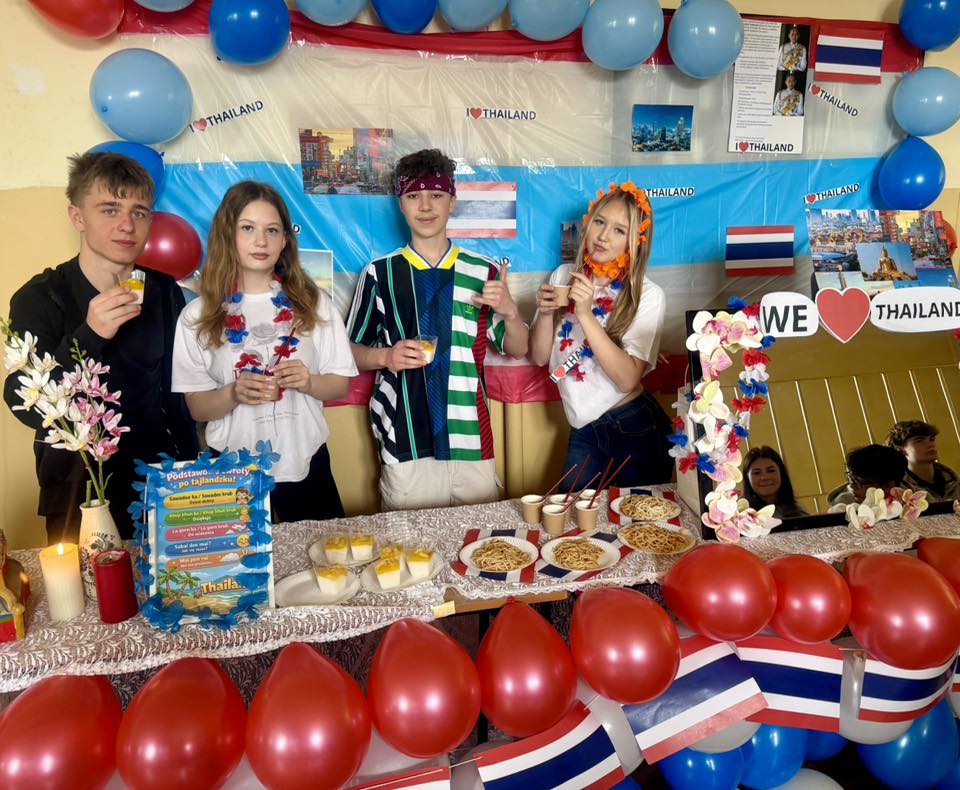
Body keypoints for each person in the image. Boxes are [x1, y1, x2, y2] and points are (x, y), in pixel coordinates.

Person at [3, 152, 198, 544]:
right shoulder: (40, 298)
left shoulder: (163, 290)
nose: (127, 225)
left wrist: (191, 470)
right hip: (80, 491)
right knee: (89, 586)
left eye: (139, 212)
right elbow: (25, 404)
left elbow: (177, 393)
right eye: (109, 209)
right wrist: (89, 334)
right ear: (77, 217)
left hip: (161, 481)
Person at [346, 149, 529, 511]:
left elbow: (519, 348)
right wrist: (386, 356)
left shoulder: (484, 271)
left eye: (436, 195)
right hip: (405, 439)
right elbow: (349, 351)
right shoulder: (380, 273)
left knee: (479, 540)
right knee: (408, 543)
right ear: (401, 204)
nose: (426, 206)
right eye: (414, 196)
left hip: (471, 440)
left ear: (452, 201)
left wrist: (510, 313)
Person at [172, 181, 357, 523]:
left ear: (285, 239)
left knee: (319, 555)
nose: (261, 241)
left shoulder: (313, 304)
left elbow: (339, 385)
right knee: (243, 559)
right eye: (247, 228)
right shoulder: (197, 316)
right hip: (233, 472)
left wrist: (308, 382)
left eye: (272, 230)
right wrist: (233, 393)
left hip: (307, 463)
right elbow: (197, 407)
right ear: (227, 234)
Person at [529, 181, 672, 490]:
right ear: (588, 224)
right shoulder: (563, 276)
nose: (604, 236)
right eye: (600, 222)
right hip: (584, 426)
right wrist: (545, 312)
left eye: (619, 230)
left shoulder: (646, 294)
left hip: (633, 424)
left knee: (638, 516)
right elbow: (539, 357)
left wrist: (584, 313)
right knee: (574, 516)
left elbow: (627, 379)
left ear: (636, 242)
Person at [887, 420, 960, 502]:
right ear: (901, 451)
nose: (931, 445)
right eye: (919, 441)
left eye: (932, 439)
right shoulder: (898, 491)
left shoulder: (954, 482)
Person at [826, 444, 908, 507]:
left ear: (888, 485)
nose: (851, 486)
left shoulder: (908, 503)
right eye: (851, 478)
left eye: (858, 482)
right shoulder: (843, 506)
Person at [742, 446, 808, 518]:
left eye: (771, 471)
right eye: (757, 473)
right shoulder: (740, 517)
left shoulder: (798, 513)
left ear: (781, 473)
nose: (764, 477)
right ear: (747, 478)